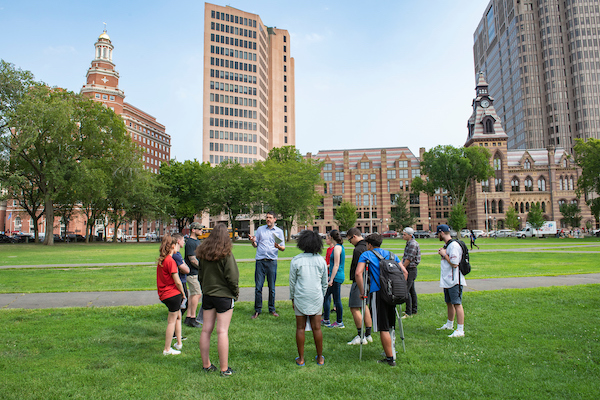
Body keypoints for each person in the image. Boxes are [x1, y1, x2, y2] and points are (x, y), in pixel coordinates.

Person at [355, 233, 408, 366]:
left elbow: (358, 273)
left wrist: (362, 291)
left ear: (370, 244)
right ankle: (391, 350)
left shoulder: (366, 255)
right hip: (393, 293)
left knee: (383, 326)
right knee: (391, 324)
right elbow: (405, 272)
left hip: (378, 293)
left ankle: (390, 358)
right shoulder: (391, 255)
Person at [196, 224, 239, 377]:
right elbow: (232, 277)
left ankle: (206, 365)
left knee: (206, 330)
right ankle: (224, 369)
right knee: (222, 331)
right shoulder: (226, 254)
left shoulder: (203, 254)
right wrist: (235, 293)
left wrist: (205, 289)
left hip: (208, 295)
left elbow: (200, 275)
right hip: (224, 296)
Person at [289, 230, 328, 366]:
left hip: (300, 295)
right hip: (316, 296)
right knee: (317, 328)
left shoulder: (296, 260)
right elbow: (324, 283)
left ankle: (301, 358)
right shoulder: (321, 261)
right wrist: (321, 296)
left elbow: (292, 283)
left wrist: (292, 298)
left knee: (300, 328)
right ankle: (320, 357)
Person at [249, 211, 285, 318]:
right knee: (258, 287)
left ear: (275, 219)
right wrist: (252, 241)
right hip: (260, 261)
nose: (268, 219)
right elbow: (256, 245)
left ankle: (272, 309)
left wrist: (278, 246)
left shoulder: (279, 232)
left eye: (270, 217)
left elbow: (283, 248)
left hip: (272, 261)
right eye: (267, 217)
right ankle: (257, 310)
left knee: (272, 287)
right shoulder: (260, 229)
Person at [156, 234, 186, 355]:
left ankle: (178, 343)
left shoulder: (162, 260)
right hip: (172, 295)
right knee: (171, 321)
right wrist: (183, 293)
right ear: (173, 246)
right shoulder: (171, 261)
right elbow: (177, 281)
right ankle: (167, 349)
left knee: (178, 317)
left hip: (165, 294)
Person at [436, 224, 466, 338]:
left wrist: (444, 254)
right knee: (449, 302)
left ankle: (460, 329)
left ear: (442, 233)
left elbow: (454, 263)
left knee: (457, 303)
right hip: (447, 280)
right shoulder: (447, 245)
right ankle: (449, 324)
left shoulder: (453, 246)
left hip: (455, 280)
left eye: (438, 234)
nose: (437, 236)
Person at [346, 227, 373, 345]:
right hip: (369, 281)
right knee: (364, 306)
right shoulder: (368, 246)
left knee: (354, 307)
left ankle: (360, 335)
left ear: (355, 236)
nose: (350, 242)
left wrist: (359, 284)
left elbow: (358, 270)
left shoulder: (358, 249)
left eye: (349, 240)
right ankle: (368, 334)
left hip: (360, 281)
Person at [322, 229, 345, 328]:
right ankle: (326, 319)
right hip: (336, 276)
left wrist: (331, 279)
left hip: (336, 277)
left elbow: (336, 265)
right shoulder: (339, 247)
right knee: (327, 296)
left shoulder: (337, 248)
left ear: (331, 237)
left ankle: (339, 322)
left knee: (336, 299)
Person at [184, 222, 203, 328]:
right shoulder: (190, 243)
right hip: (192, 273)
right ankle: (192, 318)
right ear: (193, 230)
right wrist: (202, 268)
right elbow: (193, 260)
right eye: (199, 229)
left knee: (193, 294)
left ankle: (188, 317)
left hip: (196, 273)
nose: (201, 231)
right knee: (197, 294)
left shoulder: (197, 241)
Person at [172, 233, 190, 340]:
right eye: (183, 240)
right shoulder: (176, 255)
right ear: (178, 241)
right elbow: (186, 269)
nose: (184, 242)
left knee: (183, 306)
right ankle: (175, 332)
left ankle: (175, 331)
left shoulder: (176, 254)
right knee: (182, 305)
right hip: (180, 282)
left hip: (182, 280)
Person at [400, 227, 421, 319]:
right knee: (412, 290)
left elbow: (409, 258)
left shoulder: (412, 244)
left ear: (410, 235)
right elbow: (405, 257)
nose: (403, 236)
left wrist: (403, 268)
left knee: (406, 290)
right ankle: (414, 310)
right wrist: (400, 265)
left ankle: (409, 312)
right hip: (409, 269)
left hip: (410, 270)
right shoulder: (409, 243)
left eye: (404, 234)